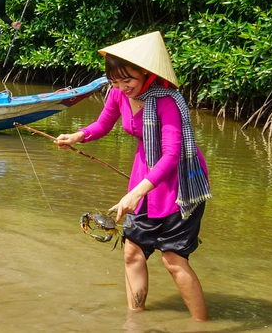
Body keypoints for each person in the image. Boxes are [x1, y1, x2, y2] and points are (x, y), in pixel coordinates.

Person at [55, 31, 212, 321]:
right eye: (115, 81)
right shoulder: (118, 94)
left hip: (178, 182)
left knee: (173, 260)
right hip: (145, 178)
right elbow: (103, 125)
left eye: (128, 79)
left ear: (147, 73)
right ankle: (134, 321)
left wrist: (138, 192)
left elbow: (171, 155)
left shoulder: (167, 101)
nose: (122, 87)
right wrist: (77, 136)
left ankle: (201, 324)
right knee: (132, 252)